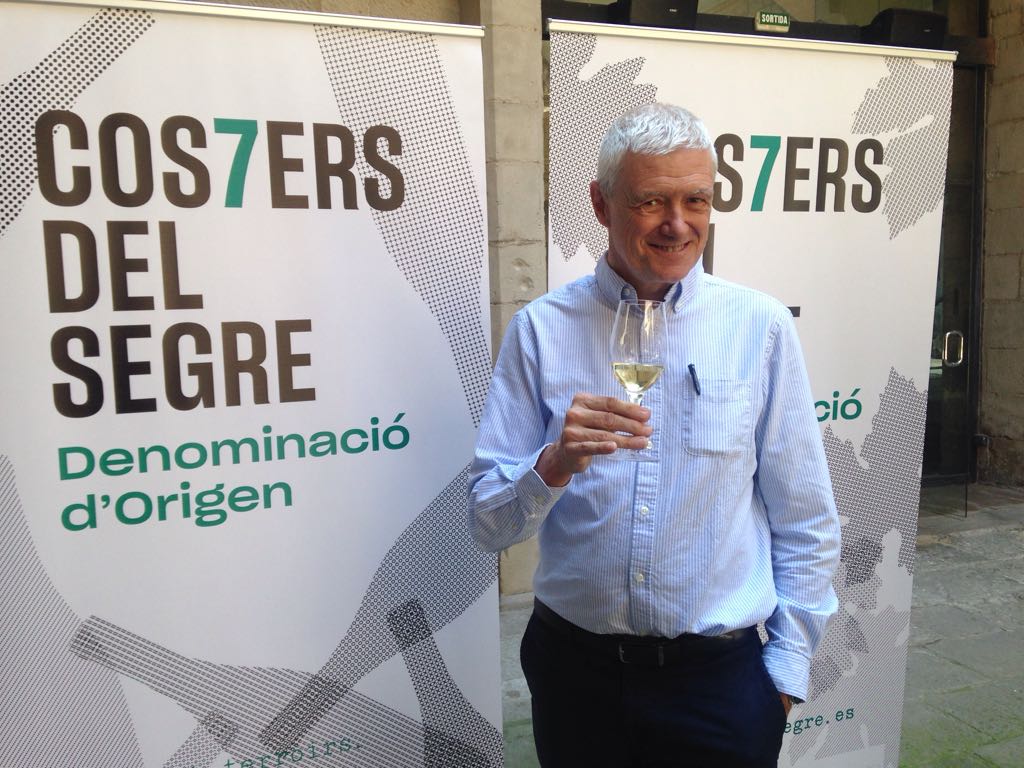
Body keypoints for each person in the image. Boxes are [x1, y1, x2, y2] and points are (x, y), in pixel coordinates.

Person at [468, 103, 841, 768]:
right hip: (576, 675)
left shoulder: (758, 327)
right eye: (650, 202)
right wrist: (553, 464)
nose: (678, 223)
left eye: (696, 199)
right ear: (601, 203)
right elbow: (487, 525)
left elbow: (805, 518)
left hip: (718, 686)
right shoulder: (541, 331)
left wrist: (783, 675)